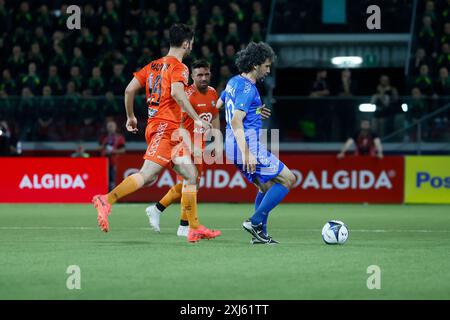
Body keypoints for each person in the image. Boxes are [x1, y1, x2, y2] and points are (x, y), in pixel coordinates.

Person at [92, 24, 218, 243]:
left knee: (191, 175)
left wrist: (131, 116)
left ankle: (194, 227)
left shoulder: (151, 66)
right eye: (192, 42)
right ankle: (106, 199)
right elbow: (178, 94)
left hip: (165, 128)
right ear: (187, 43)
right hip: (165, 126)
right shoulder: (180, 67)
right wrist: (198, 120)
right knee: (148, 175)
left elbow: (129, 89)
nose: (192, 46)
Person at [219, 42, 296, 244]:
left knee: (266, 187)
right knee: (288, 179)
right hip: (246, 144)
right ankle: (254, 222)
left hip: (231, 144)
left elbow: (220, 105)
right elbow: (236, 119)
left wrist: (255, 112)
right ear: (255, 65)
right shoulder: (248, 88)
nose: (268, 70)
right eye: (267, 66)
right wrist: (247, 153)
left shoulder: (233, 82)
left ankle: (260, 235)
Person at [145, 59, 220, 237]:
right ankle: (184, 226)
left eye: (206, 74)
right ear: (192, 77)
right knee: (189, 183)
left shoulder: (212, 92)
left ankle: (157, 209)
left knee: (191, 184)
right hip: (183, 145)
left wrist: (216, 139)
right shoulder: (185, 95)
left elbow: (215, 115)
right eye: (199, 75)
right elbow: (177, 125)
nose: (203, 78)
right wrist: (191, 145)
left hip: (200, 145)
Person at [100, 119, 126, 190]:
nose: (110, 128)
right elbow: (101, 148)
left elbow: (123, 150)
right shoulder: (104, 137)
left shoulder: (119, 138)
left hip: (114, 162)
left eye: (112, 126)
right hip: (104, 162)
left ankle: (112, 197)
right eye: (109, 126)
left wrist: (113, 151)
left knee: (112, 180)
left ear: (115, 127)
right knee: (104, 180)